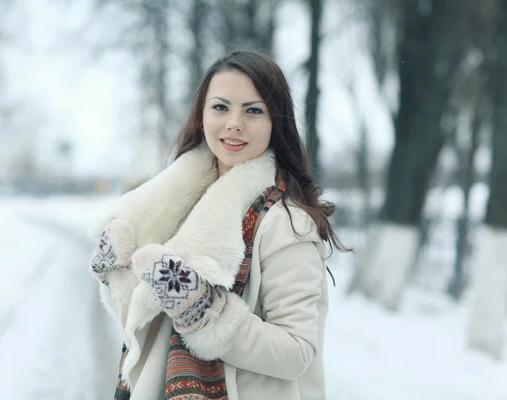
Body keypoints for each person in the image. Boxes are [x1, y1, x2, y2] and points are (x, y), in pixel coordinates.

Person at [88, 50, 348, 400]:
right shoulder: (180, 200)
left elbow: (296, 352)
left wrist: (203, 311)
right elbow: (148, 324)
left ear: (276, 121)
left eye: (253, 110)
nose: (234, 123)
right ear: (202, 114)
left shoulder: (287, 222)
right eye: (221, 107)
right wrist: (116, 276)